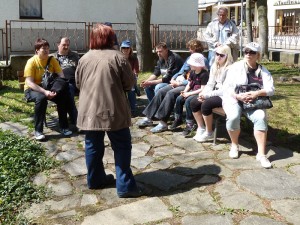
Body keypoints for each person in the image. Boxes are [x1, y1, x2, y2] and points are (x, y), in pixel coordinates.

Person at [75, 24, 143, 197]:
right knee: (121, 146)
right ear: (110, 38)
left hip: (89, 110)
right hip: (114, 109)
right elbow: (129, 84)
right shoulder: (118, 57)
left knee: (92, 146)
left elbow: (77, 83)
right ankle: (125, 187)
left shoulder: (84, 58)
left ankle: (95, 180)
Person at [222, 42, 275, 169]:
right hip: (235, 99)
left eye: (252, 52)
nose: (248, 54)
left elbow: (271, 89)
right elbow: (227, 87)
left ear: (258, 55)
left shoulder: (263, 71)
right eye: (246, 51)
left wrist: (256, 93)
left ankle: (261, 154)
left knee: (261, 116)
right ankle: (235, 145)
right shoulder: (235, 67)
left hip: (253, 102)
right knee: (233, 116)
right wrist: (238, 96)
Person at [136, 39, 206, 132]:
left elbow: (198, 78)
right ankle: (149, 118)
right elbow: (181, 71)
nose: (189, 50)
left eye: (190, 48)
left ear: (195, 48)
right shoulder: (189, 58)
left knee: (170, 93)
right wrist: (174, 78)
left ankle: (163, 123)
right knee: (161, 91)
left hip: (188, 85)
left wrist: (179, 83)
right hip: (179, 82)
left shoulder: (202, 59)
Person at [24, 38, 72, 141]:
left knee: (63, 96)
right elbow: (29, 82)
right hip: (32, 90)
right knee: (41, 98)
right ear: (37, 50)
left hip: (49, 88)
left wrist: (55, 90)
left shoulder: (52, 60)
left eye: (47, 48)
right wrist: (45, 92)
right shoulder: (31, 62)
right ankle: (38, 131)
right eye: (43, 48)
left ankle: (64, 127)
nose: (46, 51)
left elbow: (61, 76)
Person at [190, 45, 233, 142]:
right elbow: (210, 83)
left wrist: (207, 95)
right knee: (194, 102)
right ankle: (201, 128)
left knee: (206, 104)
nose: (218, 57)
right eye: (217, 54)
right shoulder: (214, 65)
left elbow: (224, 90)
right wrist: (203, 94)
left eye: (221, 55)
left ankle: (209, 132)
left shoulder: (230, 69)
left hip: (226, 95)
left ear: (227, 56)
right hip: (215, 91)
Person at [172, 53, 209, 137]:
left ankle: (190, 123)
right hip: (191, 91)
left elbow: (203, 89)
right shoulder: (192, 72)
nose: (189, 64)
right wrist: (184, 92)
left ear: (197, 65)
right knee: (179, 98)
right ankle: (178, 118)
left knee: (189, 101)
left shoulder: (204, 74)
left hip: (199, 93)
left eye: (191, 63)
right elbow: (189, 83)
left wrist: (189, 93)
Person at [52, 37, 79, 125]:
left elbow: (81, 68)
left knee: (68, 90)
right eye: (64, 45)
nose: (66, 47)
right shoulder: (52, 58)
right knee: (68, 92)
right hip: (60, 83)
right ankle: (76, 121)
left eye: (68, 45)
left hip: (75, 82)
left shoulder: (75, 55)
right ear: (58, 45)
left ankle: (75, 120)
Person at [120, 40, 140, 116]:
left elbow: (136, 71)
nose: (125, 49)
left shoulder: (134, 58)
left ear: (130, 49)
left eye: (127, 48)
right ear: (121, 48)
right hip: (120, 78)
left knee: (131, 89)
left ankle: (132, 110)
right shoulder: (118, 58)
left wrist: (132, 76)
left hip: (131, 78)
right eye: (123, 48)